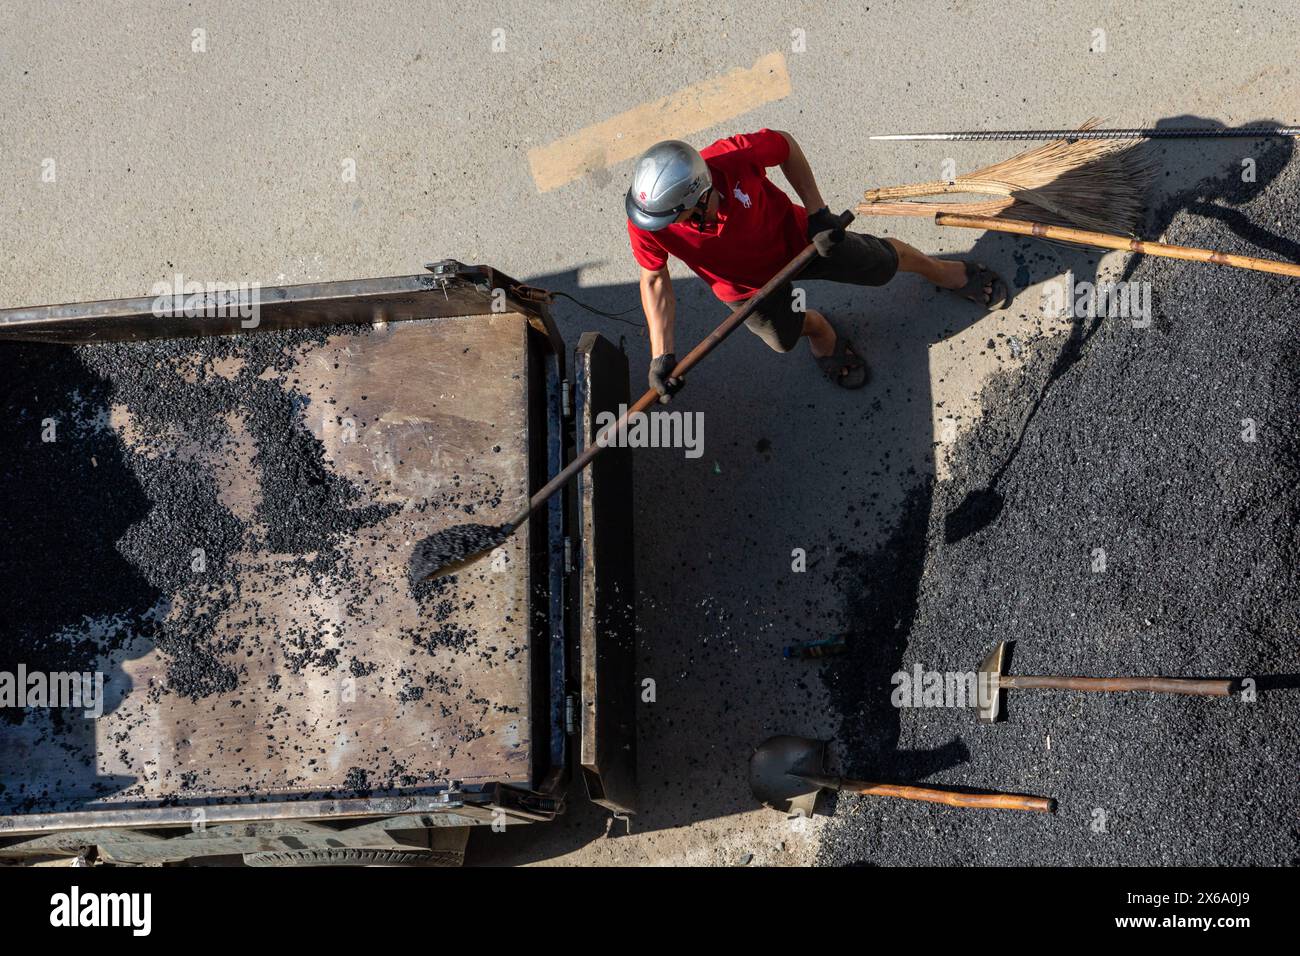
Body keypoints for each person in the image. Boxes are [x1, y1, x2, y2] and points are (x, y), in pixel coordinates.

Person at [625, 129, 1008, 397]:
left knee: (879, 263)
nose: (662, 226)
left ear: (700, 194)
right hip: (748, 289)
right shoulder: (649, 221)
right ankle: (821, 329)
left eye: (673, 217)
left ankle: (942, 271)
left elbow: (786, 146)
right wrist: (663, 355)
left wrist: (817, 212)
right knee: (782, 340)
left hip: (801, 242)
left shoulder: (735, 157)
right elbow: (655, 278)